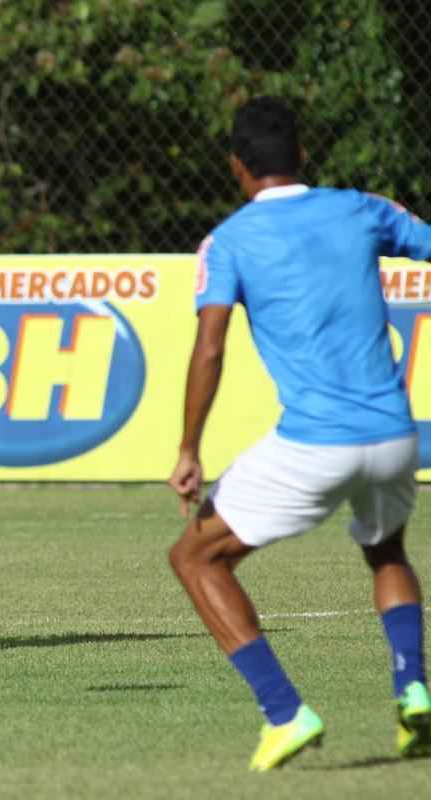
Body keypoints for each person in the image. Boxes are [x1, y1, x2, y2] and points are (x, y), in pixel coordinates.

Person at [167, 96, 431, 771]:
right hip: (396, 433)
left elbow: (209, 350)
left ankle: (285, 713)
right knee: (386, 549)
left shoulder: (228, 241)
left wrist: (190, 447)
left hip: (317, 442)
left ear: (236, 166)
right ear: (302, 156)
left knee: (195, 558)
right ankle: (414, 691)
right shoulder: (361, 207)